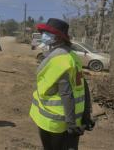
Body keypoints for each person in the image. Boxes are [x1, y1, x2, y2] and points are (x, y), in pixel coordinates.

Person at [29, 18, 95, 150]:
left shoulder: (59, 59)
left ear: (58, 38)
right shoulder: (72, 56)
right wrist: (86, 115)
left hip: (55, 121)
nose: (43, 36)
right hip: (72, 119)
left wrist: (71, 123)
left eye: (47, 33)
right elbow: (83, 86)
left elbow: (66, 93)